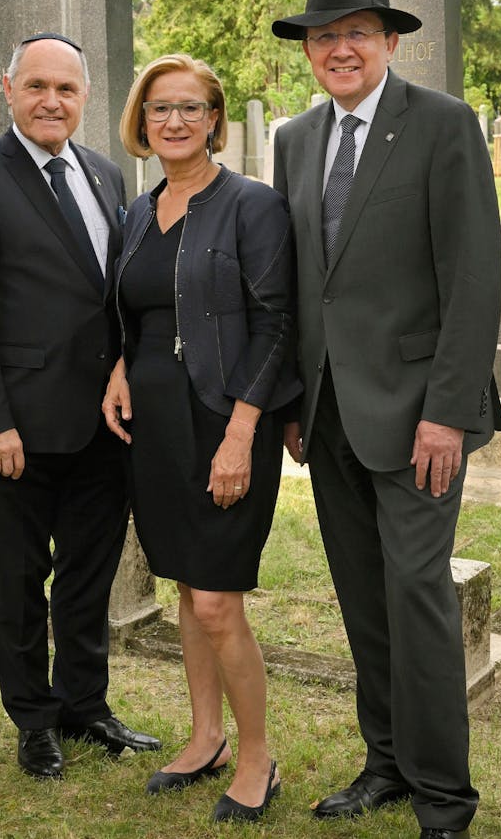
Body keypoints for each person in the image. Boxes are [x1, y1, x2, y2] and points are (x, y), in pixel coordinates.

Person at [269, 0, 501, 839]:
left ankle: (445, 799)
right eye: (323, 36)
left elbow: (475, 279)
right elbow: (302, 284)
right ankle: (388, 763)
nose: (339, 48)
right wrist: (294, 401)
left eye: (356, 32)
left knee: (415, 596)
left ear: (390, 41)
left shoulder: (442, 126)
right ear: (309, 53)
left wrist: (447, 408)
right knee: (363, 598)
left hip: (420, 418)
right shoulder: (295, 139)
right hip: (328, 416)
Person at [0, 32, 161, 781]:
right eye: (37, 87)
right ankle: (33, 719)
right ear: (8, 89)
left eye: (66, 88)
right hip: (19, 431)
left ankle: (83, 703)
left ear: (86, 96)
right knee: (21, 582)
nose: (51, 101)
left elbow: (115, 297)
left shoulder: (105, 175)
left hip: (104, 423)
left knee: (90, 578)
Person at [100, 55, 301, 823]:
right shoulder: (135, 212)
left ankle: (257, 758)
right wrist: (120, 364)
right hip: (152, 427)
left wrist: (243, 430)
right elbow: (139, 310)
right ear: (141, 122)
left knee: (218, 600)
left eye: (190, 107)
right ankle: (206, 737)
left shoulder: (251, 206)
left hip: (224, 419)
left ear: (215, 118)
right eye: (159, 109)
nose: (175, 121)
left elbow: (277, 322)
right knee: (187, 588)